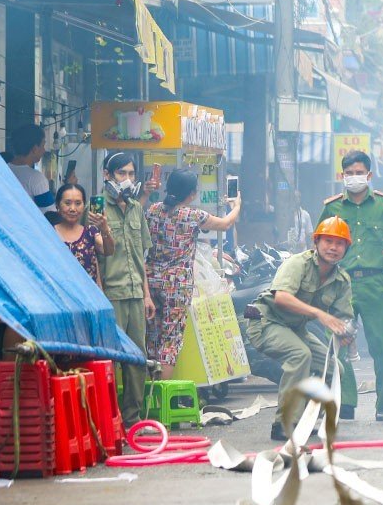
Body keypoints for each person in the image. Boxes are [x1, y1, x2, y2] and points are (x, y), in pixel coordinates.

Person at [319, 150, 383, 421]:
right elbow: (321, 242)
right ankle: (347, 401)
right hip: (342, 285)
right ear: (342, 176)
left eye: (358, 173)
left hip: (376, 283)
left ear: (369, 175)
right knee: (337, 342)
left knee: (382, 345)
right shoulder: (333, 207)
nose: (353, 178)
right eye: (348, 174)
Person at [246, 216, 357, 440]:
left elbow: (345, 318)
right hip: (267, 321)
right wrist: (318, 313)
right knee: (300, 355)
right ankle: (284, 424)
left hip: (295, 328)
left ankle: (305, 418)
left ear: (346, 249)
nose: (333, 248)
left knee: (336, 370)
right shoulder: (298, 263)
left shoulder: (342, 280)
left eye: (339, 243)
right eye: (328, 241)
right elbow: (281, 298)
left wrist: (346, 333)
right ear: (316, 242)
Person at [145, 169, 241, 378]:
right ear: (191, 194)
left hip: (150, 281)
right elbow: (225, 224)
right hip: (177, 285)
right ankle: (160, 396)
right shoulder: (192, 215)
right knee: (170, 338)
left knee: (152, 336)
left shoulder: (153, 210)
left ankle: (147, 394)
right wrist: (236, 206)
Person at [98, 152, 154, 426]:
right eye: (122, 173)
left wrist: (146, 294)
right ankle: (108, 420)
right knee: (109, 358)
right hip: (110, 296)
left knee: (137, 359)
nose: (128, 179)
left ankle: (132, 419)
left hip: (135, 296)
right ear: (107, 175)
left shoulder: (136, 208)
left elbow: (140, 257)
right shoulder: (96, 212)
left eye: (132, 174)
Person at [53, 184, 113, 288]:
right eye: (67, 203)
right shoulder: (49, 232)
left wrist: (105, 230)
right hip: (59, 299)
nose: (72, 208)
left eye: (78, 203)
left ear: (84, 205)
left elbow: (108, 251)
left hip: (88, 300)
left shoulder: (90, 233)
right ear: (57, 205)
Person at [6, 124, 55, 213]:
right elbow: (50, 214)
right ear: (35, 149)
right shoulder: (36, 179)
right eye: (43, 145)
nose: (44, 150)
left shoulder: (2, 170)